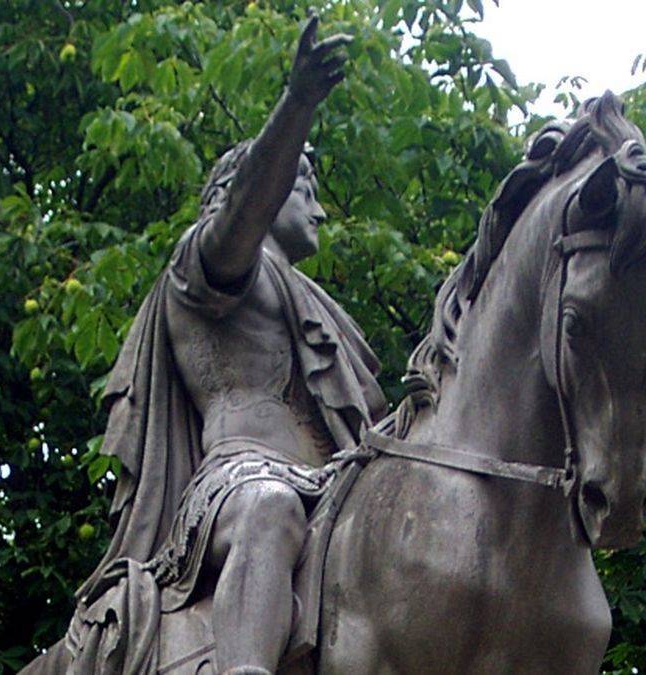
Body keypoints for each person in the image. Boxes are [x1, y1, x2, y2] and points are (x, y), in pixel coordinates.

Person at [23, 12, 387, 675]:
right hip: (238, 481)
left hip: (339, 484)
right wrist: (298, 104)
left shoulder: (324, 308)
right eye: (303, 189)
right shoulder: (203, 263)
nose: (321, 209)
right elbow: (246, 211)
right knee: (271, 509)